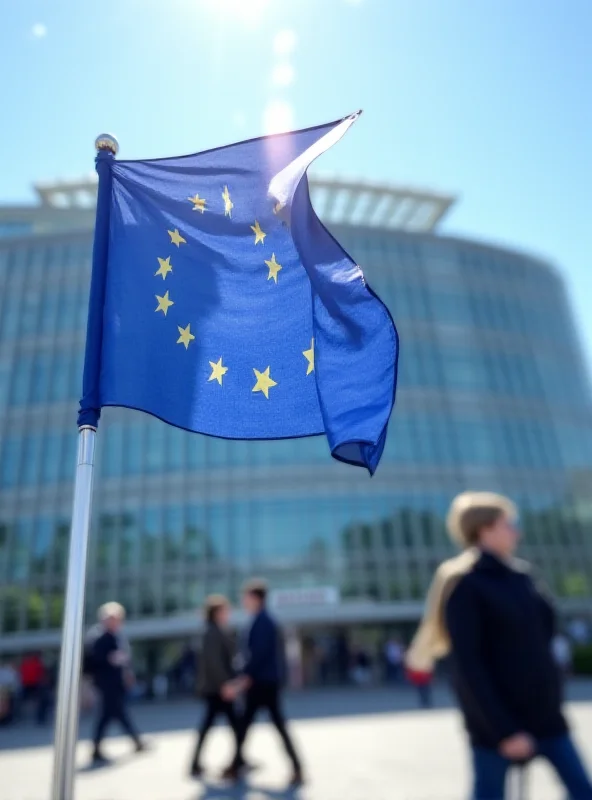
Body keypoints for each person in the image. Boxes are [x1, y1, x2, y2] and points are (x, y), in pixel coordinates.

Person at [406, 491, 592, 800]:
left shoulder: (523, 576)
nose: (516, 531)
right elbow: (468, 668)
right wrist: (504, 730)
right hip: (497, 729)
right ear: (485, 529)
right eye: (509, 524)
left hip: (547, 718)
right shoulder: (466, 585)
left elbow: (543, 642)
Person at [222, 579, 303, 786]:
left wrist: (243, 678)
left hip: (262, 683)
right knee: (248, 725)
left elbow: (258, 654)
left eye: (246, 597)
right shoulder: (260, 620)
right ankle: (236, 765)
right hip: (260, 682)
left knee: (260, 725)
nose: (243, 601)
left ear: (256, 598)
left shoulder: (263, 622)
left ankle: (295, 768)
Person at [189, 595, 240, 778]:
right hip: (217, 689)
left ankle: (238, 759)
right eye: (225, 610)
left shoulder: (216, 630)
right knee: (234, 725)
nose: (228, 614)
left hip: (217, 688)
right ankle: (238, 761)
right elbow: (214, 662)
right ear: (217, 612)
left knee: (219, 725)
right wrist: (225, 684)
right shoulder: (211, 632)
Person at [91, 602, 147, 763]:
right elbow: (94, 661)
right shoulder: (100, 638)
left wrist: (128, 675)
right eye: (113, 619)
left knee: (109, 715)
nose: (116, 622)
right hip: (107, 684)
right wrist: (110, 659)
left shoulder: (117, 636)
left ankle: (97, 748)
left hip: (116, 683)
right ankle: (136, 741)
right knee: (116, 714)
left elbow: (125, 661)